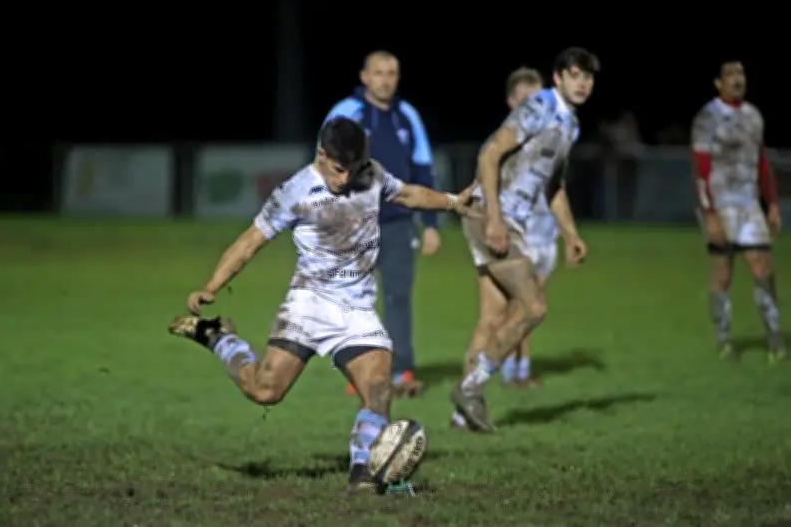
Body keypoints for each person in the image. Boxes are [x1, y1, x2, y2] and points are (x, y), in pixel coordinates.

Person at [167, 117, 477, 493]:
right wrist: (212, 285)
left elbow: (409, 194)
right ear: (321, 155)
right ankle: (219, 338)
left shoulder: (371, 174)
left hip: (358, 310)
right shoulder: (295, 191)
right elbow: (251, 240)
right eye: (338, 169)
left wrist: (453, 202)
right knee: (265, 392)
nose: (346, 180)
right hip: (308, 305)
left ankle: (362, 472)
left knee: (378, 390)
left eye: (353, 169)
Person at [451, 48, 599, 432]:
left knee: (492, 318)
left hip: (506, 221)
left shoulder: (571, 125)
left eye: (589, 77)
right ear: (559, 77)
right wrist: (495, 219)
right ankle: (470, 389)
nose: (583, 83)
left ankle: (460, 417)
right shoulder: (540, 107)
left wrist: (571, 234)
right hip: (491, 216)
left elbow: (554, 186)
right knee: (533, 307)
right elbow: (489, 153)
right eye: (575, 74)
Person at [323, 50, 438, 397]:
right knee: (356, 300)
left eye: (392, 73)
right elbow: (325, 165)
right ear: (364, 77)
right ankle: (359, 373)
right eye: (379, 73)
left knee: (398, 297)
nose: (386, 79)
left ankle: (401, 372)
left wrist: (430, 224)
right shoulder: (347, 113)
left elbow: (422, 169)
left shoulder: (407, 116)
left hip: (399, 224)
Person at [692, 59, 785, 362]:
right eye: (730, 75)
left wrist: (771, 203)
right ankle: (724, 341)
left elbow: (761, 161)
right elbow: (701, 166)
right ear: (718, 83)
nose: (737, 79)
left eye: (741, 74)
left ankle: (775, 342)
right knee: (723, 273)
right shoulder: (708, 117)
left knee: (764, 270)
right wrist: (710, 212)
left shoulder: (753, 116)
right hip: (720, 205)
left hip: (748, 204)